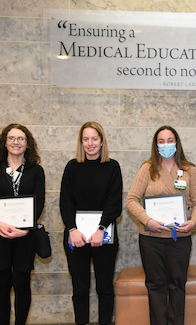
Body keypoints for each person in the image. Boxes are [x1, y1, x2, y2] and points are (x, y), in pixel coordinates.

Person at [126, 125, 196, 325]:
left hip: (180, 239)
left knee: (177, 286)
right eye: (161, 141)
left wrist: (193, 222)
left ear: (177, 143)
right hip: (151, 239)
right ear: (156, 145)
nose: (166, 145)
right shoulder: (147, 168)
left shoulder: (189, 170)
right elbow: (131, 200)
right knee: (155, 286)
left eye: (170, 140)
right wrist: (148, 220)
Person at [0, 123, 45, 325]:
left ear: (28, 143)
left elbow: (39, 203)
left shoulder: (36, 170)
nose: (16, 142)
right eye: (12, 138)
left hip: (25, 236)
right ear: (4, 142)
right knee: (2, 285)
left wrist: (24, 229)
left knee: (22, 284)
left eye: (21, 139)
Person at [60, 122, 122, 325]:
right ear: (81, 142)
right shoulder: (72, 167)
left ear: (102, 141)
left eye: (94, 138)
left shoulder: (112, 166)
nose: (90, 143)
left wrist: (101, 230)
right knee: (80, 289)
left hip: (104, 237)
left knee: (104, 288)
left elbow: (114, 203)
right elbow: (65, 202)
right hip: (76, 237)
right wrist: (72, 229)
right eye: (85, 139)